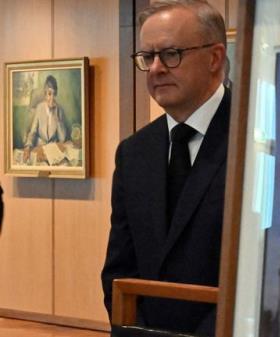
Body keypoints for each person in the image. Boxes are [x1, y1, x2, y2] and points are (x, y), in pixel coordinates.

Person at [101, 1, 229, 335]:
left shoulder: (255, 141)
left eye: (171, 54)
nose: (156, 68)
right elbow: (118, 271)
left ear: (215, 58)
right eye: (148, 57)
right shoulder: (133, 153)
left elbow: (260, 274)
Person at [23, 75, 68, 163]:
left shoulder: (59, 110)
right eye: (49, 94)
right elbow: (33, 132)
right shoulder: (39, 108)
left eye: (54, 94)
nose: (52, 98)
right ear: (45, 94)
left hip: (52, 151)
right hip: (40, 149)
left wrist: (57, 116)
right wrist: (28, 146)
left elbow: (62, 138)